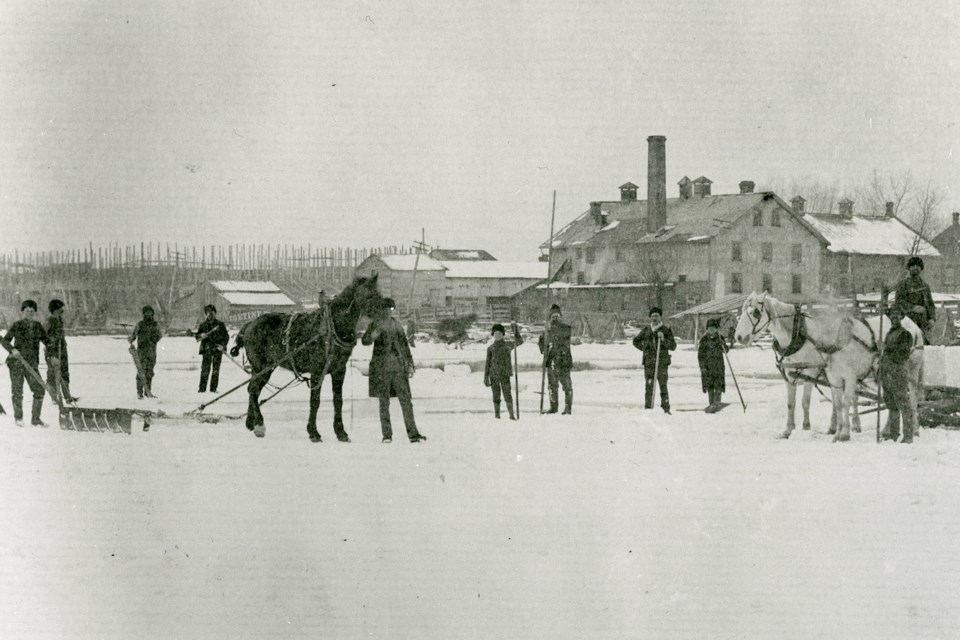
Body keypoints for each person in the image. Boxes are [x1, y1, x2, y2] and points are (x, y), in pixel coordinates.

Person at [361, 298, 427, 443]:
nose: (389, 311)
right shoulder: (375, 324)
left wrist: (410, 365)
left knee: (406, 402)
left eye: (391, 309)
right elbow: (365, 341)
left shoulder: (396, 325)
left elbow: (405, 347)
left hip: (398, 369)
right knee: (384, 403)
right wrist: (372, 335)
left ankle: (413, 434)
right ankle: (387, 435)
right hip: (382, 370)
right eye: (386, 309)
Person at [1, 300, 49, 427]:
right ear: (22, 312)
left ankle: (36, 419)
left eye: (32, 311)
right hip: (17, 363)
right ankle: (19, 418)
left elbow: (46, 341)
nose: (29, 313)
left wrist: (52, 349)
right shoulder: (17, 325)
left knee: (39, 390)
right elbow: (5, 341)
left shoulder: (38, 326)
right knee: (17, 391)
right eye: (27, 311)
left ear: (35, 313)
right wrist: (12, 350)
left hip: (31, 364)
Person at [880, 307, 916, 444]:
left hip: (898, 373)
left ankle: (908, 436)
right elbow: (886, 356)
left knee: (903, 405)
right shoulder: (889, 334)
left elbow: (902, 354)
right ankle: (894, 433)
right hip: (887, 373)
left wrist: (886, 348)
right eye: (892, 314)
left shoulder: (905, 335)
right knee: (892, 405)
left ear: (901, 316)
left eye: (897, 314)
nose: (894, 317)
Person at [632, 306, 677, 414]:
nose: (654, 318)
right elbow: (635, 341)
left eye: (656, 316)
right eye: (652, 316)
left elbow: (673, 346)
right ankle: (648, 408)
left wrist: (663, 339)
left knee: (663, 386)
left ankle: (666, 409)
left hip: (661, 363)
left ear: (660, 317)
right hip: (649, 364)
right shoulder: (647, 330)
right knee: (649, 387)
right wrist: (645, 349)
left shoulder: (665, 330)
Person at [537, 303, 573, 414]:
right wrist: (543, 340)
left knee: (566, 386)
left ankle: (568, 407)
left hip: (563, 361)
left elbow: (563, 338)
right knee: (552, 386)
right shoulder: (547, 331)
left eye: (557, 316)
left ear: (560, 317)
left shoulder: (566, 328)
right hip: (551, 361)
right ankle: (553, 407)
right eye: (553, 317)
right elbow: (542, 347)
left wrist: (551, 330)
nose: (555, 319)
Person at [892, 256, 936, 344]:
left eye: (918, 266)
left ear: (921, 268)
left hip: (923, 322)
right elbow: (899, 301)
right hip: (907, 320)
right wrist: (913, 308)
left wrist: (932, 318)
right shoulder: (903, 284)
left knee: (926, 345)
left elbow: (930, 304)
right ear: (909, 268)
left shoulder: (925, 285)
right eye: (913, 266)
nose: (916, 268)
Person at [484, 322, 523, 420]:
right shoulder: (490, 348)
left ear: (503, 334)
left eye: (500, 333)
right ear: (493, 335)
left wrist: (516, 331)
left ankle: (511, 415)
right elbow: (487, 364)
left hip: (505, 375)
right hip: (494, 375)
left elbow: (519, 341)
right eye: (496, 333)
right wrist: (486, 376)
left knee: (507, 394)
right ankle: (497, 415)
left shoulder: (508, 346)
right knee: (496, 395)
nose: (498, 335)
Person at [45, 298, 78, 405]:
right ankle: (54, 397)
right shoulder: (49, 321)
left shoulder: (59, 320)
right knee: (53, 374)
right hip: (52, 351)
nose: (62, 311)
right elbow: (44, 337)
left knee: (64, 372)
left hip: (62, 349)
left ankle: (67, 396)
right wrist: (51, 350)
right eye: (60, 309)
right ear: (55, 310)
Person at [129, 305, 162, 399]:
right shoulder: (139, 324)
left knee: (149, 372)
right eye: (146, 312)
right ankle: (139, 392)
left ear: (152, 313)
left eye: (150, 312)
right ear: (144, 314)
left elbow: (159, 335)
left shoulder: (155, 325)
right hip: (141, 352)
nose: (148, 314)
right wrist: (130, 339)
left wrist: (153, 341)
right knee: (141, 371)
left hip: (151, 352)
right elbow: (133, 335)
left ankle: (148, 392)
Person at [195, 304, 230, 393]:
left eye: (212, 313)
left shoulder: (220, 325)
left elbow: (226, 337)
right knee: (205, 370)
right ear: (206, 314)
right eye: (208, 313)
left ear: (215, 313)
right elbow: (197, 336)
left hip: (217, 350)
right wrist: (200, 335)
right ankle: (202, 389)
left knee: (215, 370)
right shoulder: (203, 325)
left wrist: (223, 346)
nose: (210, 315)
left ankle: (213, 389)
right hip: (207, 350)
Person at [697, 317, 728, 413]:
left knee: (718, 386)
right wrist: (702, 367)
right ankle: (711, 405)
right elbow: (700, 356)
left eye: (713, 328)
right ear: (707, 329)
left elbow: (726, 350)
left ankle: (717, 405)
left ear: (716, 329)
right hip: (708, 368)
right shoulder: (703, 340)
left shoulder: (720, 338)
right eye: (709, 328)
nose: (711, 330)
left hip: (718, 367)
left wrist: (723, 345)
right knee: (710, 387)